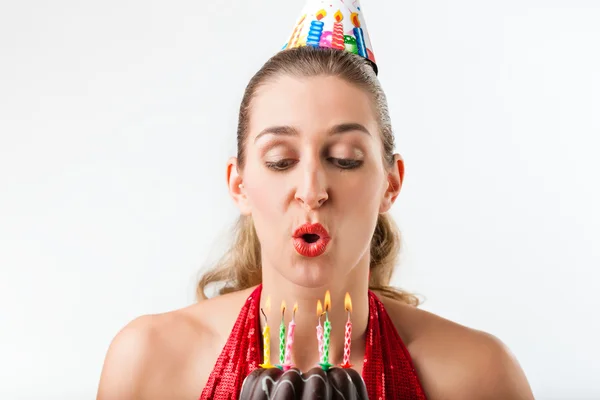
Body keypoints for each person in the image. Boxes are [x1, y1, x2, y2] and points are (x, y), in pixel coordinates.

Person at [97, 2, 534, 399]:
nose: (311, 190)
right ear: (239, 184)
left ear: (391, 184)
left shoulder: (479, 376)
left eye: (344, 160)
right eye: (281, 160)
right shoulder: (150, 363)